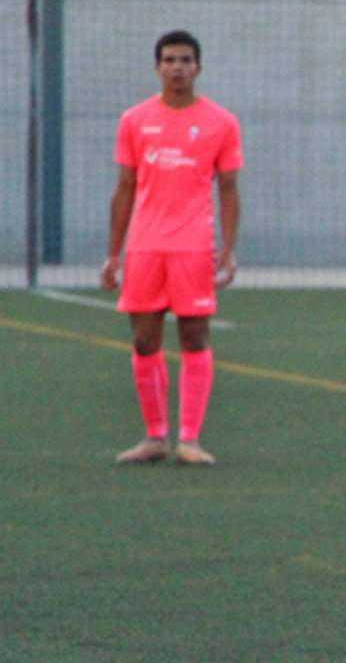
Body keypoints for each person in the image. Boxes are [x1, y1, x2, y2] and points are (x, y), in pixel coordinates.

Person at [102, 30, 242, 466]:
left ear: (198, 68)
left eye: (185, 60)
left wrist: (229, 249)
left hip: (193, 247)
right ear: (157, 67)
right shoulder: (134, 120)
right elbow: (124, 188)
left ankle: (190, 439)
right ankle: (155, 437)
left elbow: (230, 189)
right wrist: (113, 253)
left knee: (193, 336)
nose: (177, 67)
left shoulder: (222, 122)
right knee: (144, 340)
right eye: (168, 60)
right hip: (145, 247)